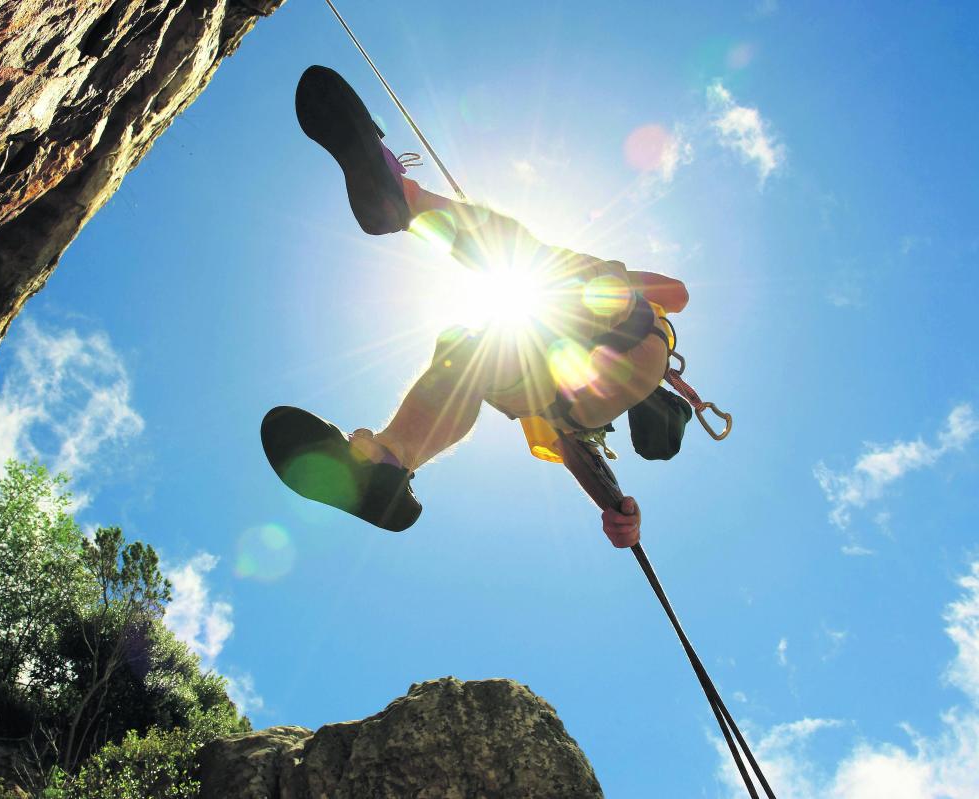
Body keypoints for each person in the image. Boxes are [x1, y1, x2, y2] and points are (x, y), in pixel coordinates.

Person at [262, 66, 690, 544]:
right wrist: (617, 514)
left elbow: (676, 293)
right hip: (563, 398)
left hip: (627, 351)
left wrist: (605, 273)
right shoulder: (572, 403)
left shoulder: (605, 301)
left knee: (539, 267)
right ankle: (386, 465)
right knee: (467, 350)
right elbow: (573, 447)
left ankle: (403, 199)